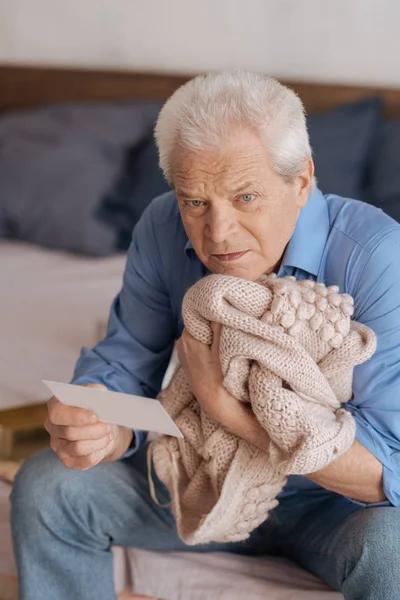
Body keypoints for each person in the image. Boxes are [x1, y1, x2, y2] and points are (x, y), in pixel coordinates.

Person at [11, 72, 400, 600]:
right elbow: (127, 363)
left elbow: (390, 468)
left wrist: (227, 410)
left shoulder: (378, 256)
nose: (218, 233)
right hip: (197, 479)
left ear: (302, 180)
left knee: (395, 545)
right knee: (47, 486)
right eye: (195, 202)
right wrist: (103, 419)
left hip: (335, 506)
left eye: (245, 197)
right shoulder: (161, 226)